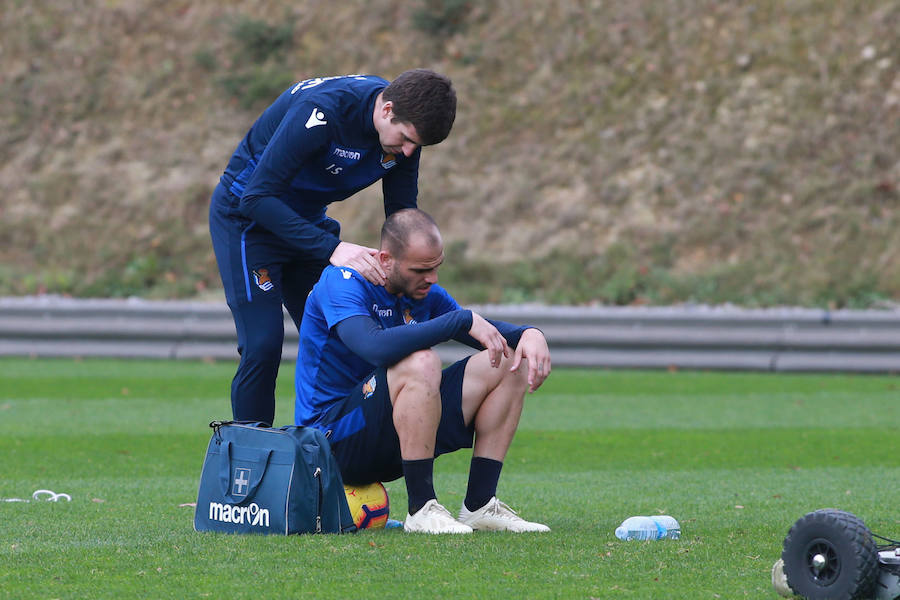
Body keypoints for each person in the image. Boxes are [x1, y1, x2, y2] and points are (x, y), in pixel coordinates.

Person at [209, 70, 457, 426]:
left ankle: (342, 461)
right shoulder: (322, 112)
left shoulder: (404, 138)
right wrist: (333, 249)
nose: (408, 151)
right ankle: (251, 469)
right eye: (405, 139)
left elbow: (402, 216)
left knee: (352, 337)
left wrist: (405, 269)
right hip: (247, 221)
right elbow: (257, 197)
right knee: (262, 345)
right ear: (386, 110)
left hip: (305, 222)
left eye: (416, 146)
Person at [295, 208, 552, 534]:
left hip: (388, 434)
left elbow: (477, 329)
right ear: (386, 260)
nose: (431, 278)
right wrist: (457, 321)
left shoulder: (423, 293)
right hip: (330, 441)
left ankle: (480, 506)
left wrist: (530, 333)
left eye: (436, 268)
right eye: (420, 270)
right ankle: (421, 509)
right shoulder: (342, 282)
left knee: (507, 361)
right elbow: (373, 346)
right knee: (422, 361)